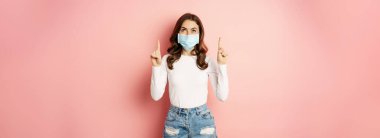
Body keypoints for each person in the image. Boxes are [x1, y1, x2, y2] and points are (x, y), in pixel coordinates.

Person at [150, 13, 229, 138]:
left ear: (199, 35)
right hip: (175, 120)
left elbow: (222, 96)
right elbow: (155, 96)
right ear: (178, 34)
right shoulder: (167, 60)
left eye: (193, 31)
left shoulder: (207, 61)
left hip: (202, 120)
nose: (188, 35)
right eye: (184, 30)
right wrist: (155, 67)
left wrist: (222, 65)